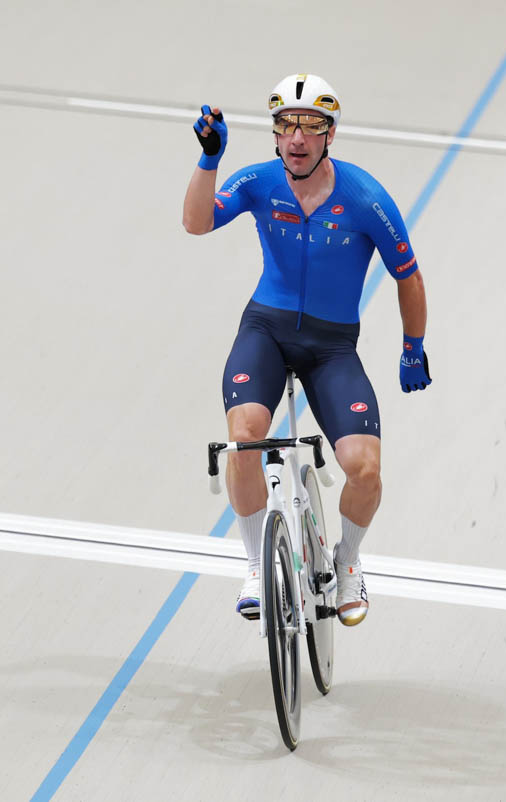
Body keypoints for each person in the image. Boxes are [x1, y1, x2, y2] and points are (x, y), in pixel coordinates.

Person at [182, 74, 432, 627]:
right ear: (275, 134)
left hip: (331, 347)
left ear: (329, 135)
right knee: (244, 439)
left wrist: (413, 345)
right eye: (286, 125)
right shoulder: (258, 181)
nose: (297, 138)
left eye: (311, 127)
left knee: (364, 470)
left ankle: (347, 562)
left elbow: (408, 275)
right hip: (266, 332)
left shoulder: (365, 197)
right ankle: (254, 564)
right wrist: (209, 160)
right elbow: (196, 223)